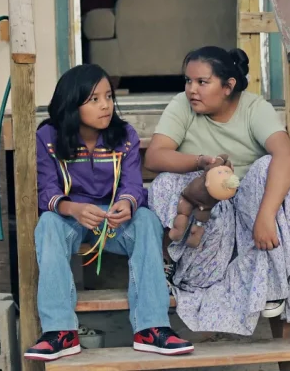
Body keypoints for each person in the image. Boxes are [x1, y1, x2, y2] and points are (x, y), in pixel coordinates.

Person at [145, 46, 290, 335]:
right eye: (188, 81)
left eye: (202, 82)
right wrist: (200, 161)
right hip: (207, 213)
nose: (192, 89)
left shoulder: (254, 108)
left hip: (250, 211)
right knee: (166, 182)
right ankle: (180, 269)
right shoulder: (182, 104)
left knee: (268, 166)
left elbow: (287, 156)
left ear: (228, 86)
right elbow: (155, 156)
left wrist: (266, 216)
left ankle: (273, 281)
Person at [24, 64, 194, 361]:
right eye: (94, 99)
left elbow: (132, 183)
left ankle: (151, 328)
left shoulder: (122, 135)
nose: (106, 105)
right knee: (48, 223)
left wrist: (127, 204)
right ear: (71, 103)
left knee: (145, 219)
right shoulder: (48, 136)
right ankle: (60, 332)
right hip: (69, 216)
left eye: (108, 96)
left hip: (112, 220)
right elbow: (46, 189)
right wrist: (72, 208)